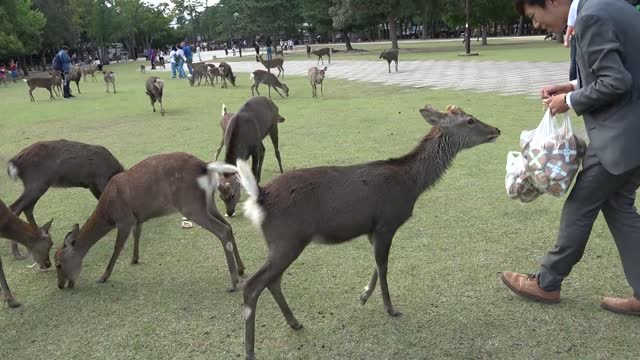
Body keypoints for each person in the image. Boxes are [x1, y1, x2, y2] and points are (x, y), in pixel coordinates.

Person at [503, 0, 640, 316]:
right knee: (619, 206)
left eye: (535, 16)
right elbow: (623, 66)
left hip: (623, 134)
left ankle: (547, 282)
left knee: (580, 204)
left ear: (552, 2)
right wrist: (573, 85)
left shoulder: (591, 16)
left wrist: (570, 99)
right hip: (632, 133)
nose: (537, 25)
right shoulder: (608, 6)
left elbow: (618, 81)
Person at [564, 0, 580, 81]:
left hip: (585, 36)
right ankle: (572, 83)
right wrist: (566, 38)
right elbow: (571, 23)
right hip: (576, 36)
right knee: (574, 63)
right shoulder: (576, 2)